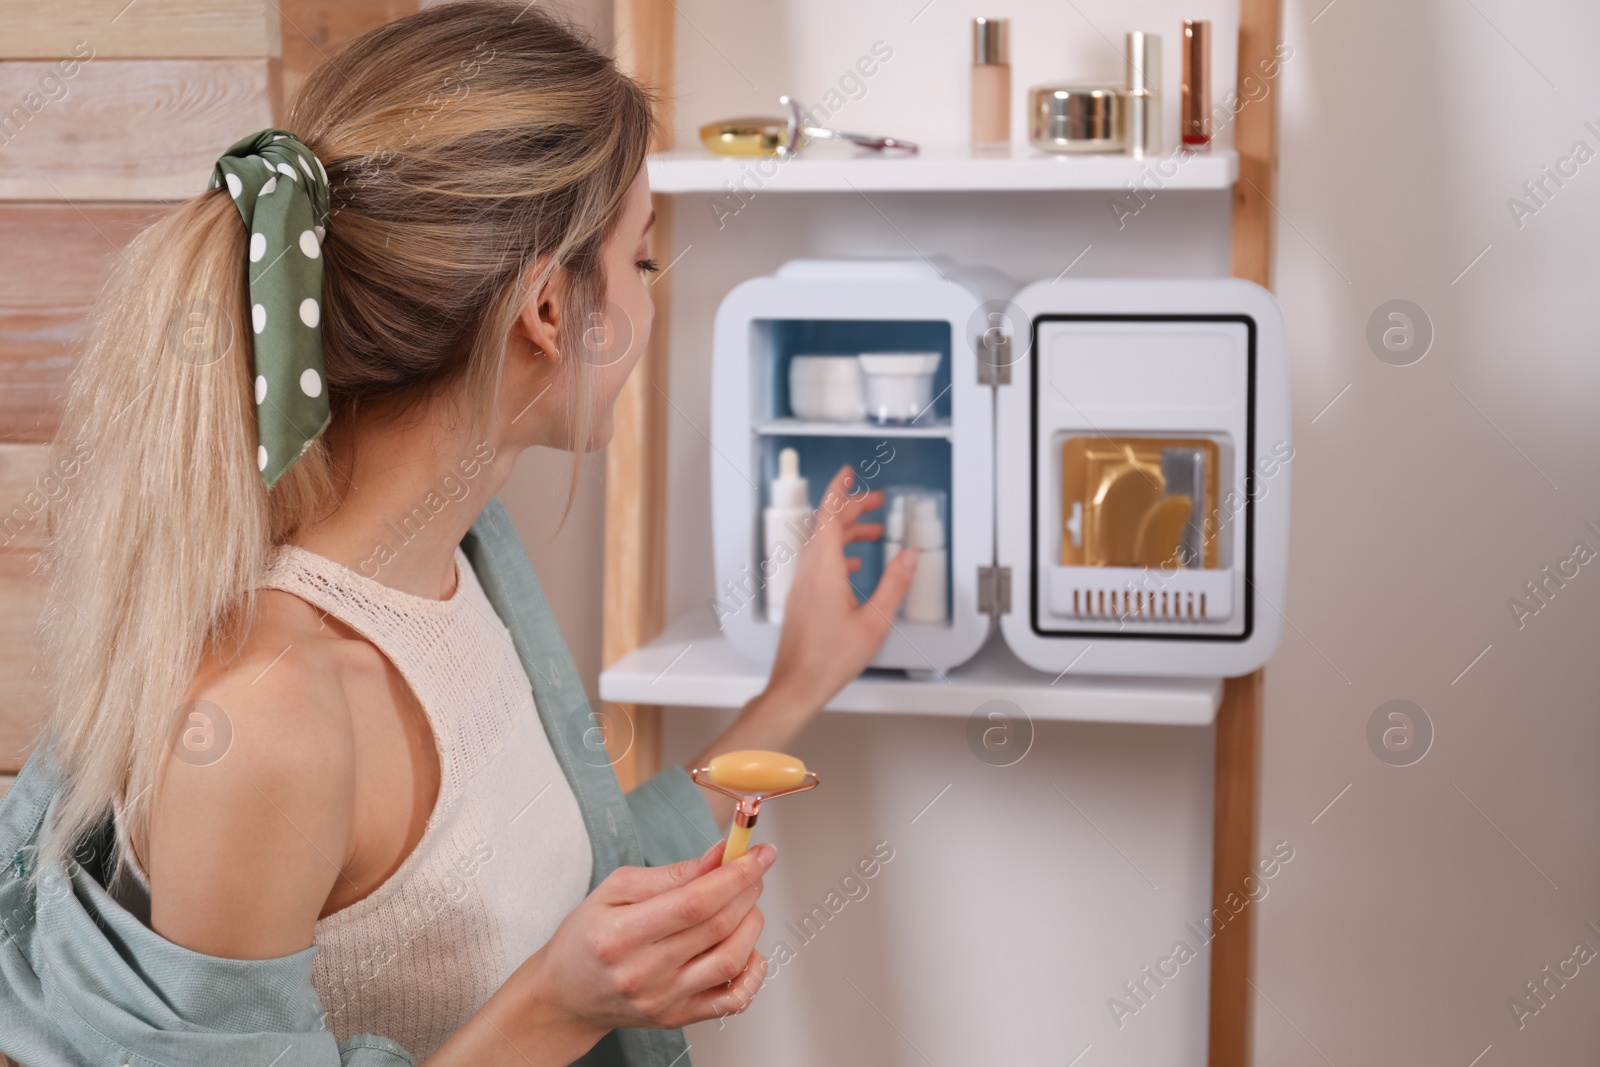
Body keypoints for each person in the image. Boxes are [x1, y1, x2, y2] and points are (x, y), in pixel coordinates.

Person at [0, 4, 916, 1065]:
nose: (654, 305)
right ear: (546, 311)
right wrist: (556, 1010)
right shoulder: (267, 719)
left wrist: (795, 683)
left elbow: (560, 887)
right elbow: (552, 975)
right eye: (643, 265)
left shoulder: (459, 561)